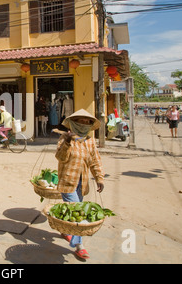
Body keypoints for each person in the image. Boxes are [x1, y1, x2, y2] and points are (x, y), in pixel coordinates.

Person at [55, 109, 105, 260]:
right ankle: (79, 246)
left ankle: (66, 231)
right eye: (80, 121)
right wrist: (68, 142)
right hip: (67, 181)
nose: (83, 124)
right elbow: (60, 157)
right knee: (78, 213)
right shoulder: (64, 137)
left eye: (86, 122)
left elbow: (95, 161)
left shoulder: (90, 141)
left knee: (74, 212)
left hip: (82, 183)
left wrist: (99, 178)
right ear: (73, 123)